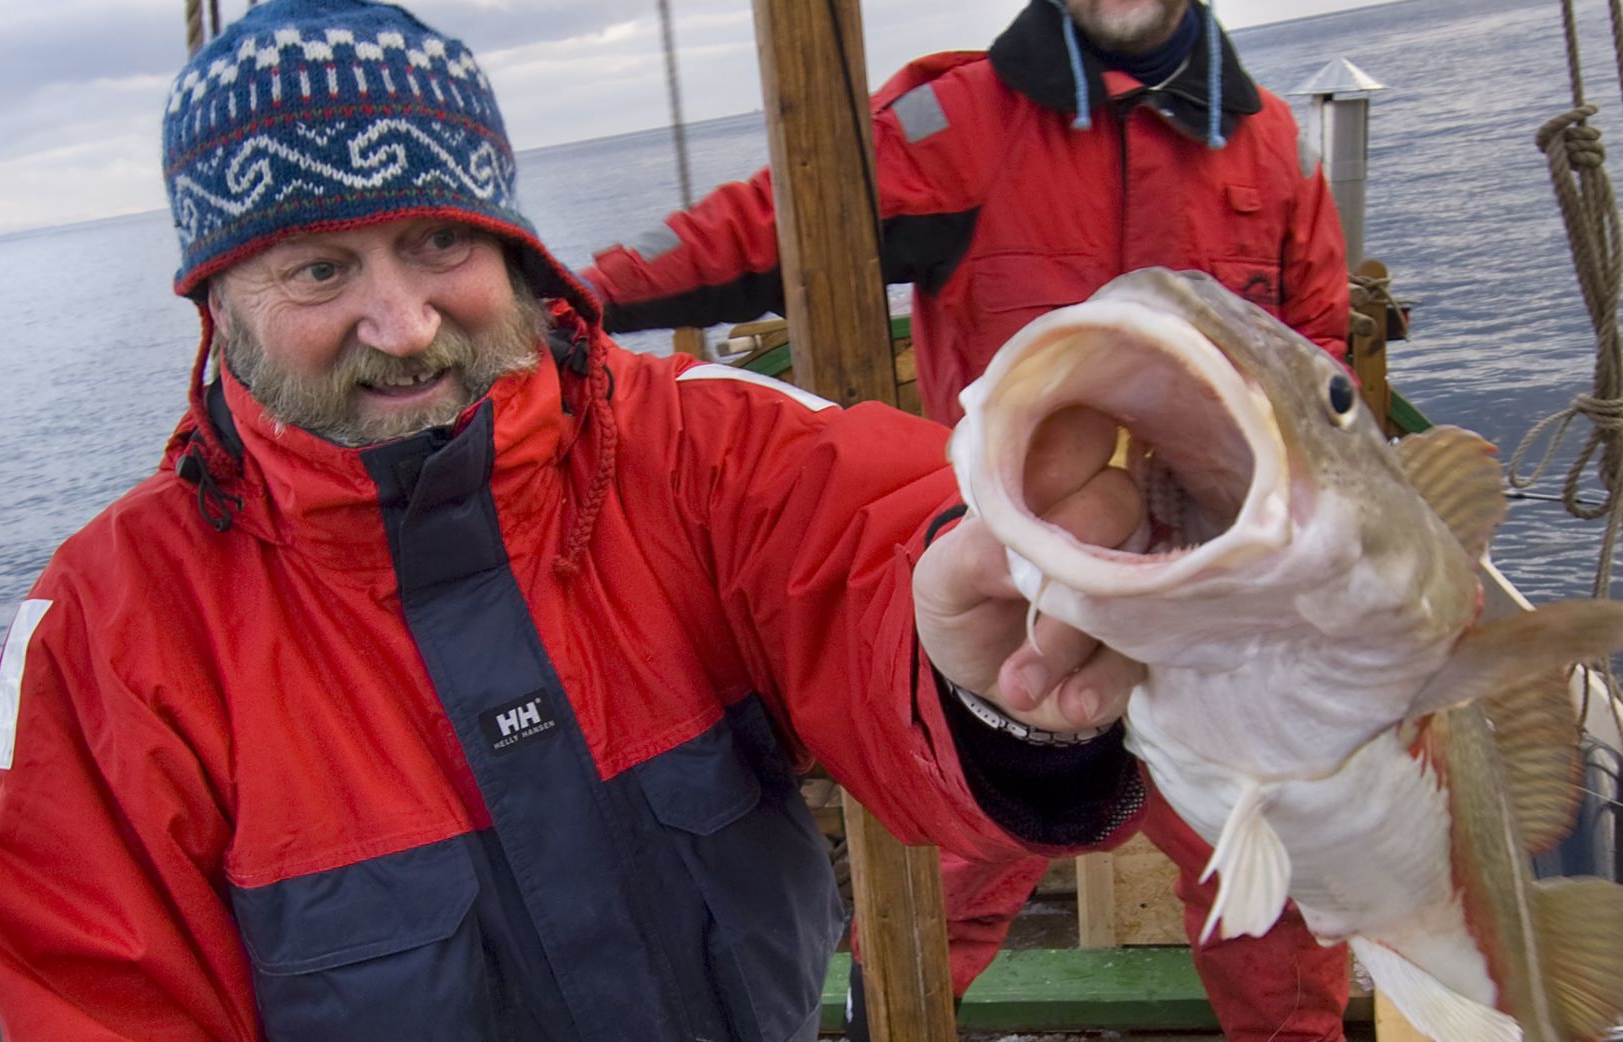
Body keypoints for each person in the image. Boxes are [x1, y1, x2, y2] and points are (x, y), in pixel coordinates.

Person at [0, 1, 1160, 1039]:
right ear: (215, 301)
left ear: (507, 242)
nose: (404, 322)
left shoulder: (696, 448)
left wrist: (988, 681)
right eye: (318, 269)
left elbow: (877, 544)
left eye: (437, 241)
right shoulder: (105, 641)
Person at [577, 1, 1354, 1038]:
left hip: (1218, 611)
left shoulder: (1263, 144)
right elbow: (758, 226)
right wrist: (565, 293)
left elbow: (1321, 358)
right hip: (1015, 601)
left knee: (1272, 888)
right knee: (945, 875)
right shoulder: (959, 122)